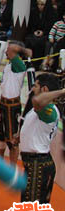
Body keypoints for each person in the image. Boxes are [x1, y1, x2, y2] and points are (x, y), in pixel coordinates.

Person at [20, 73, 61, 204]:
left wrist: (62, 91)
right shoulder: (42, 108)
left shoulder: (48, 109)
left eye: (36, 86)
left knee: (31, 209)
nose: (33, 89)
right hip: (35, 164)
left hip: (38, 165)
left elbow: (37, 100)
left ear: (44, 89)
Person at [0, 41, 32, 164]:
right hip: (3, 103)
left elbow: (13, 47)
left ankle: (12, 169)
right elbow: (7, 81)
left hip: (11, 106)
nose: (6, 51)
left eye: (8, 49)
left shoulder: (19, 64)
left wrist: (25, 51)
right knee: (1, 134)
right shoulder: (9, 65)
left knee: (12, 139)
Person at [25, 0, 54, 67]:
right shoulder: (34, 12)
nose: (40, 6)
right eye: (38, 4)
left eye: (42, 4)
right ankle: (28, 62)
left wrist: (43, 32)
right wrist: (35, 32)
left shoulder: (51, 13)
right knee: (28, 39)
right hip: (35, 34)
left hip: (46, 34)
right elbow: (31, 26)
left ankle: (37, 64)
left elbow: (51, 27)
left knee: (39, 42)